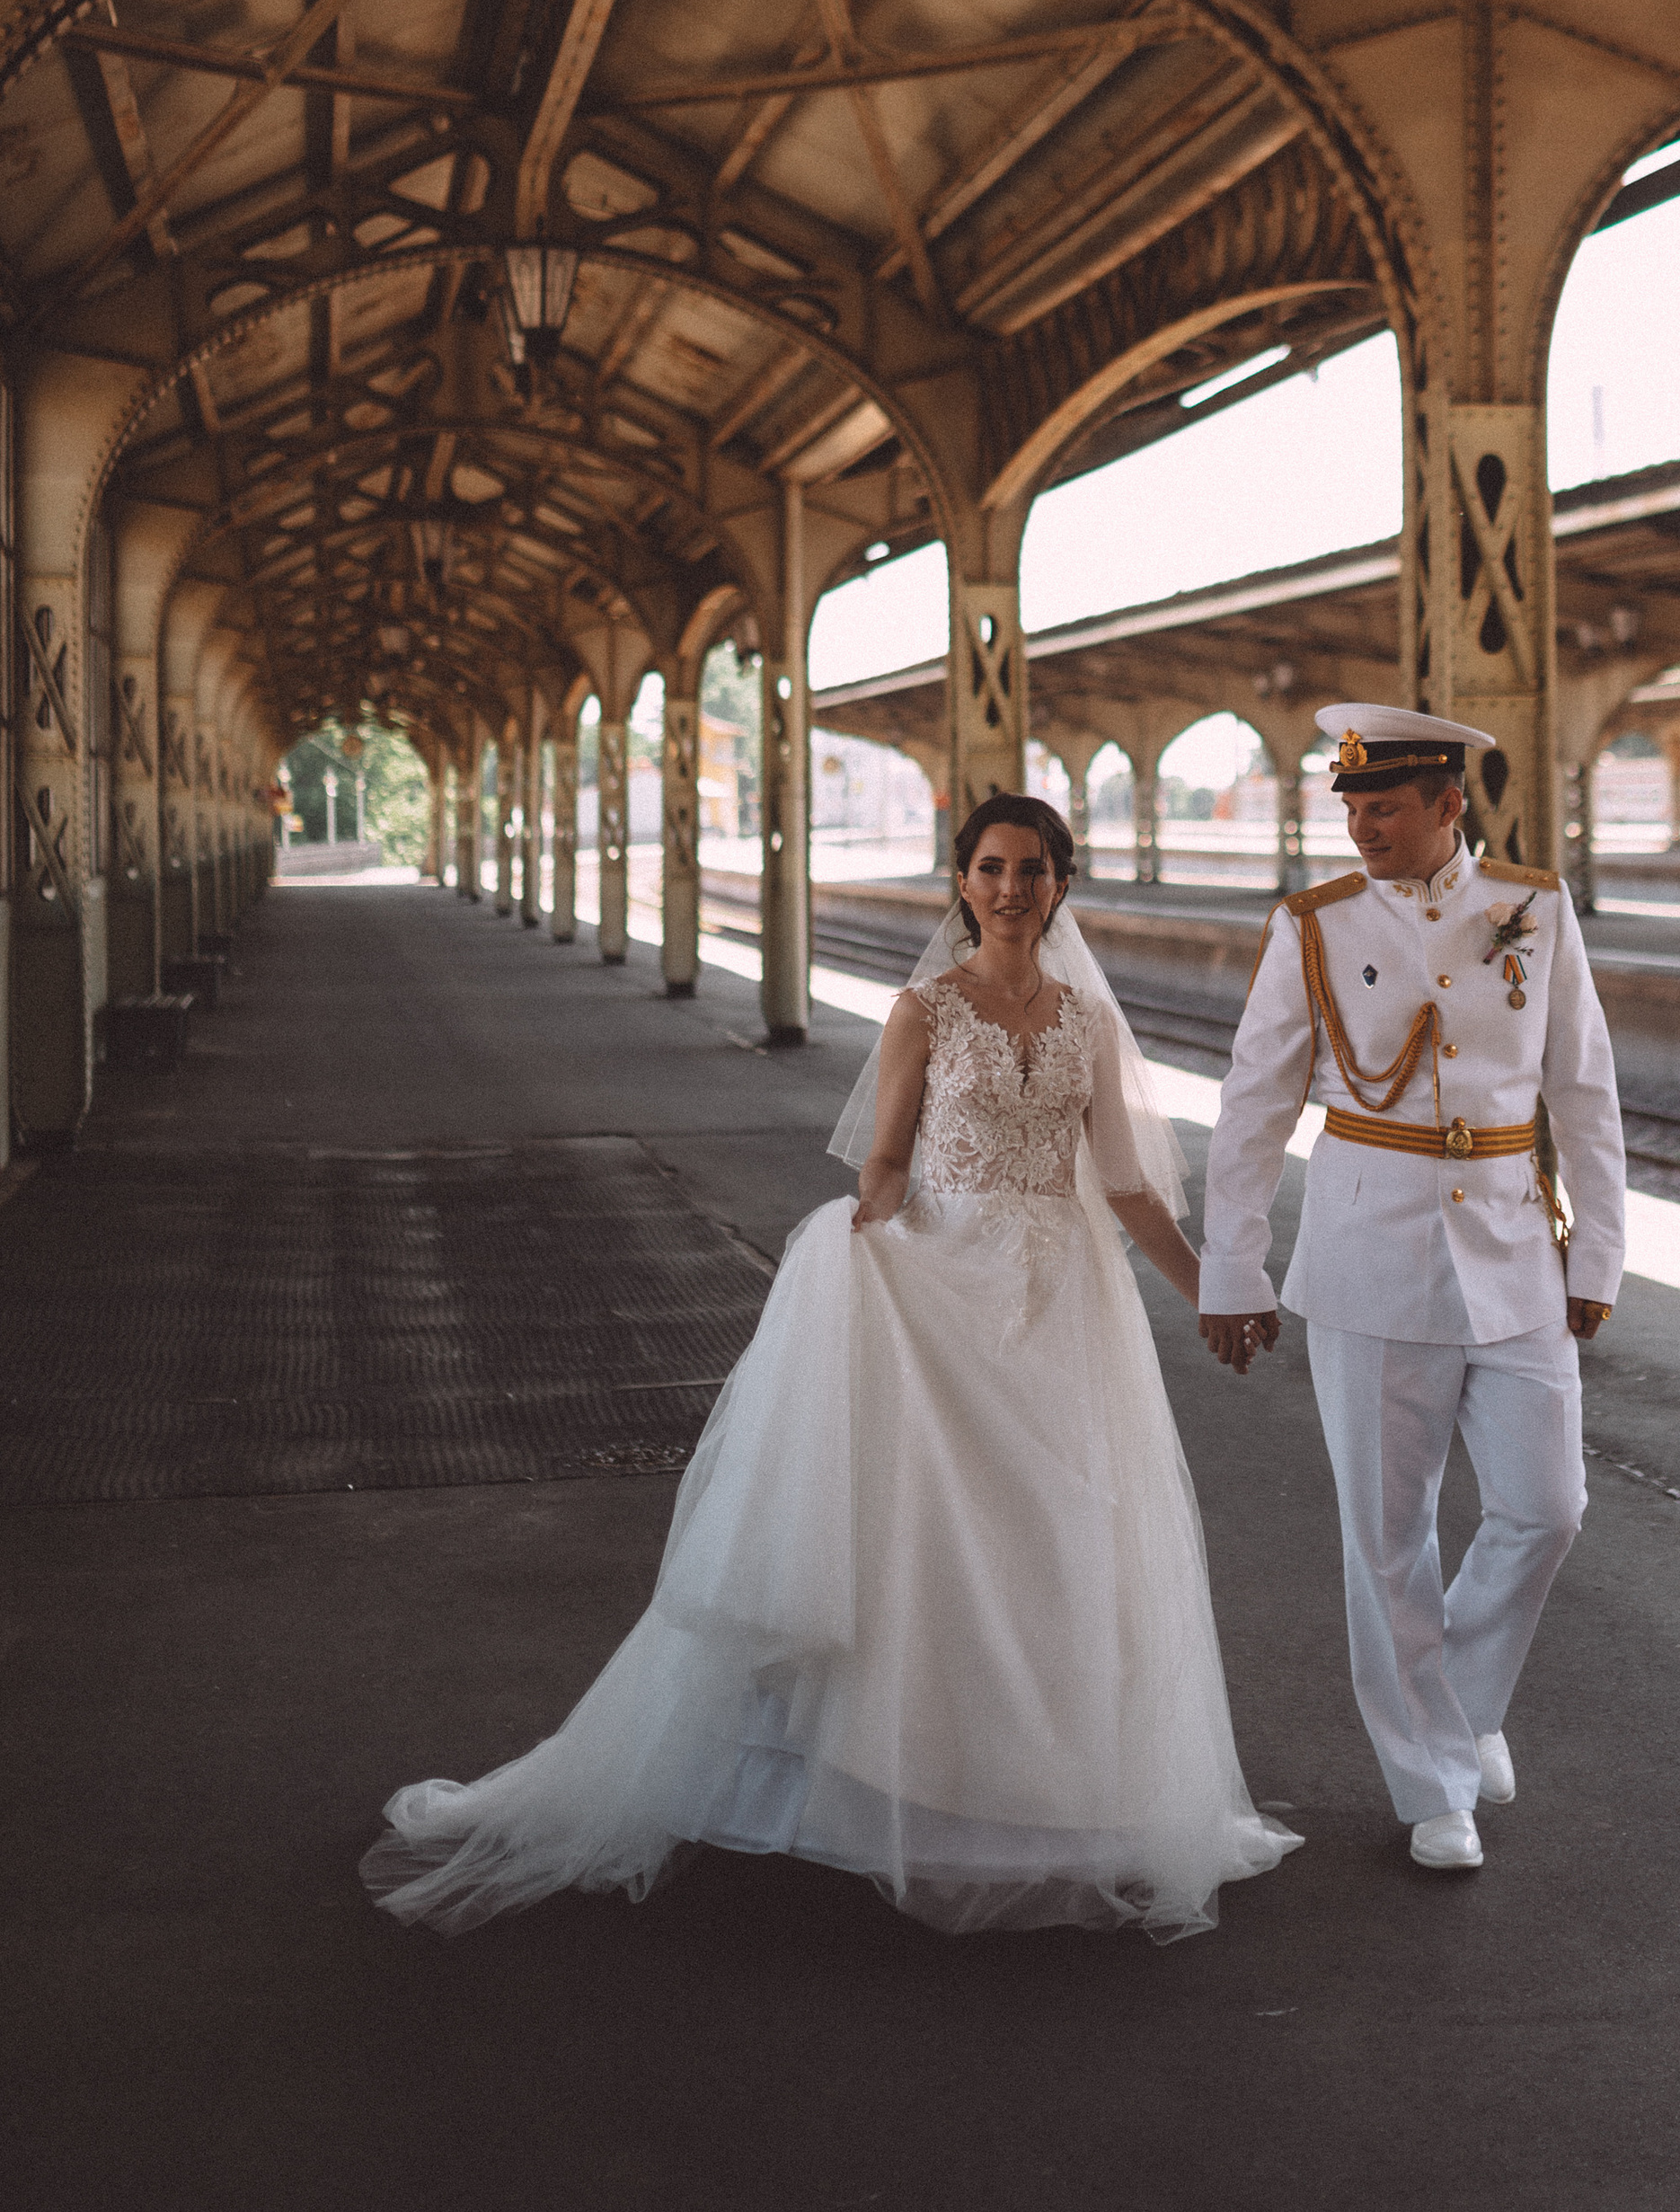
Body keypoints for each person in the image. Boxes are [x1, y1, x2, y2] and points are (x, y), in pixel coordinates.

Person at [362, 793, 1299, 1942]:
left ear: (1062, 884)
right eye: (992, 868)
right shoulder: (924, 1010)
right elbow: (889, 1159)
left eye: (1034, 869)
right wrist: (866, 1245)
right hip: (941, 1296)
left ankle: (1048, 1792)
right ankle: (904, 1783)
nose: (1011, 888)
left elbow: (1127, 1187)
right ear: (962, 884)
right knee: (930, 1538)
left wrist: (1215, 1288)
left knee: (1058, 1534)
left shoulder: (1088, 1025)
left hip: (1062, 1305)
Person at [1198, 705, 1627, 1873]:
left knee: (1548, 1505)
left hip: (1512, 1244)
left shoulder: (1535, 910)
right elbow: (1253, 1101)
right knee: (1388, 1538)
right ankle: (1432, 1782)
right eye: (1349, 804)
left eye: (1384, 804)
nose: (1361, 824)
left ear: (1450, 803)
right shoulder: (1316, 928)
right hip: (1369, 1247)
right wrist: (1232, 1263)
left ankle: (1462, 1705)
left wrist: (1598, 1253)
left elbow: (1582, 1088)